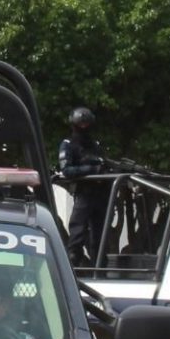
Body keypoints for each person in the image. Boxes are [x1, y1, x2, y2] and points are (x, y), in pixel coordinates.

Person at [59, 106, 111, 267]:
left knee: (99, 235)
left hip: (100, 194)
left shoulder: (95, 144)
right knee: (77, 230)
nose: (83, 128)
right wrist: (91, 169)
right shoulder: (68, 144)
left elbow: (105, 164)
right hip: (84, 193)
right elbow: (66, 170)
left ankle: (100, 268)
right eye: (80, 125)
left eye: (86, 125)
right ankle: (74, 264)